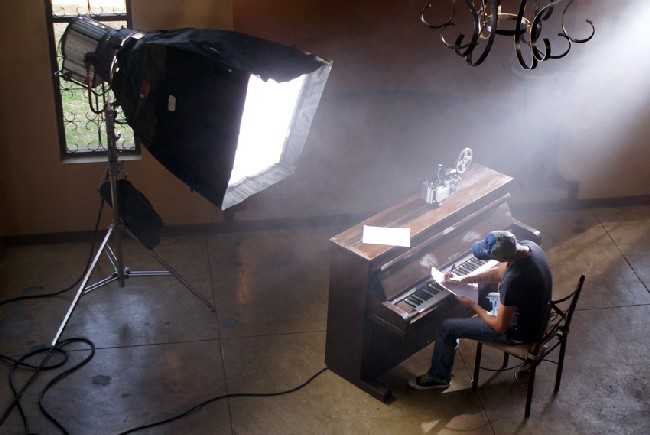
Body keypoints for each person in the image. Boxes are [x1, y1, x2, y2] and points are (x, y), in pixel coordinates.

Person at [408, 230, 553, 390]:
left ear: (504, 259)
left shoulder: (514, 279)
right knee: (486, 296)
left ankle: (439, 377)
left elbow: (500, 327)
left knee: (446, 328)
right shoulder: (529, 247)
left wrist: (473, 306)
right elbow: (498, 273)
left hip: (519, 333)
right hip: (538, 315)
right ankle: (449, 348)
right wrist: (464, 279)